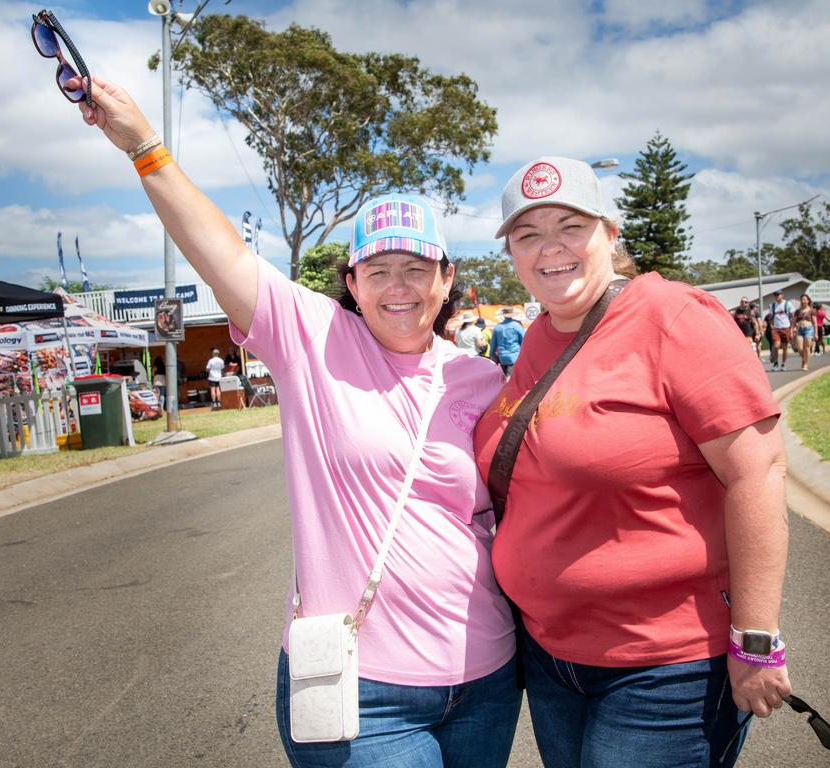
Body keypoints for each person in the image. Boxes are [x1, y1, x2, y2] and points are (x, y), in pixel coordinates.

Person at [69, 73, 520, 767]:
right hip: (362, 686)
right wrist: (143, 145)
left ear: (446, 276)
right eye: (378, 270)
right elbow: (217, 250)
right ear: (351, 281)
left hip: (487, 677)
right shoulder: (313, 339)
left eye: (415, 268)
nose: (397, 288)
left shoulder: (483, 377)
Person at [474, 156, 790, 768]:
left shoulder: (672, 316)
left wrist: (756, 639)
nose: (550, 249)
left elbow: (759, 471)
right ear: (511, 252)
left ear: (610, 236)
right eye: (528, 234)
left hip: (665, 668)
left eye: (571, 226)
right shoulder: (537, 337)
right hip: (551, 660)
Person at [488, 307, 525, 376]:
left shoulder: (497, 327)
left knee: (503, 378)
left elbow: (493, 344)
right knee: (512, 379)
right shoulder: (517, 326)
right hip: (515, 357)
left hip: (502, 357)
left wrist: (491, 355)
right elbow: (524, 341)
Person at [768, 290, 794, 371]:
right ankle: (775, 363)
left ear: (782, 295)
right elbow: (770, 317)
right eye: (775, 295)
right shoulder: (772, 306)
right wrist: (772, 326)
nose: (776, 296)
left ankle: (783, 363)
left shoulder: (787, 304)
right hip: (776, 329)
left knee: (785, 348)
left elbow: (792, 316)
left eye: (778, 294)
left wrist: (792, 328)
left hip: (786, 327)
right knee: (776, 345)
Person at [792, 294, 816, 371]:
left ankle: (806, 364)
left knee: (807, 348)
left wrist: (816, 333)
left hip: (809, 329)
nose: (803, 301)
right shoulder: (797, 311)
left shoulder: (812, 310)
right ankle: (804, 359)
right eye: (802, 299)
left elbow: (815, 323)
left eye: (805, 299)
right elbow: (793, 322)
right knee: (799, 348)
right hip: (799, 330)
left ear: (808, 301)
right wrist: (791, 330)